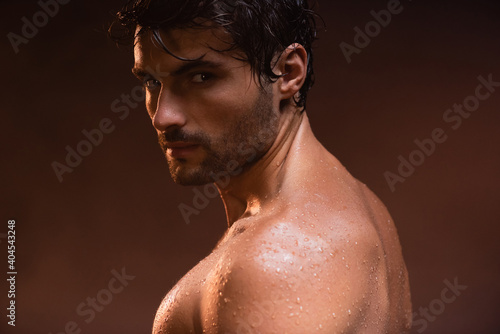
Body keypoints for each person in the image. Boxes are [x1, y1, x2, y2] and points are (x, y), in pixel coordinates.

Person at [111, 0, 412, 332]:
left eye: (200, 76)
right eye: (152, 82)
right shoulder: (361, 205)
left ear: (288, 73)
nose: (163, 116)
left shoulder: (274, 263)